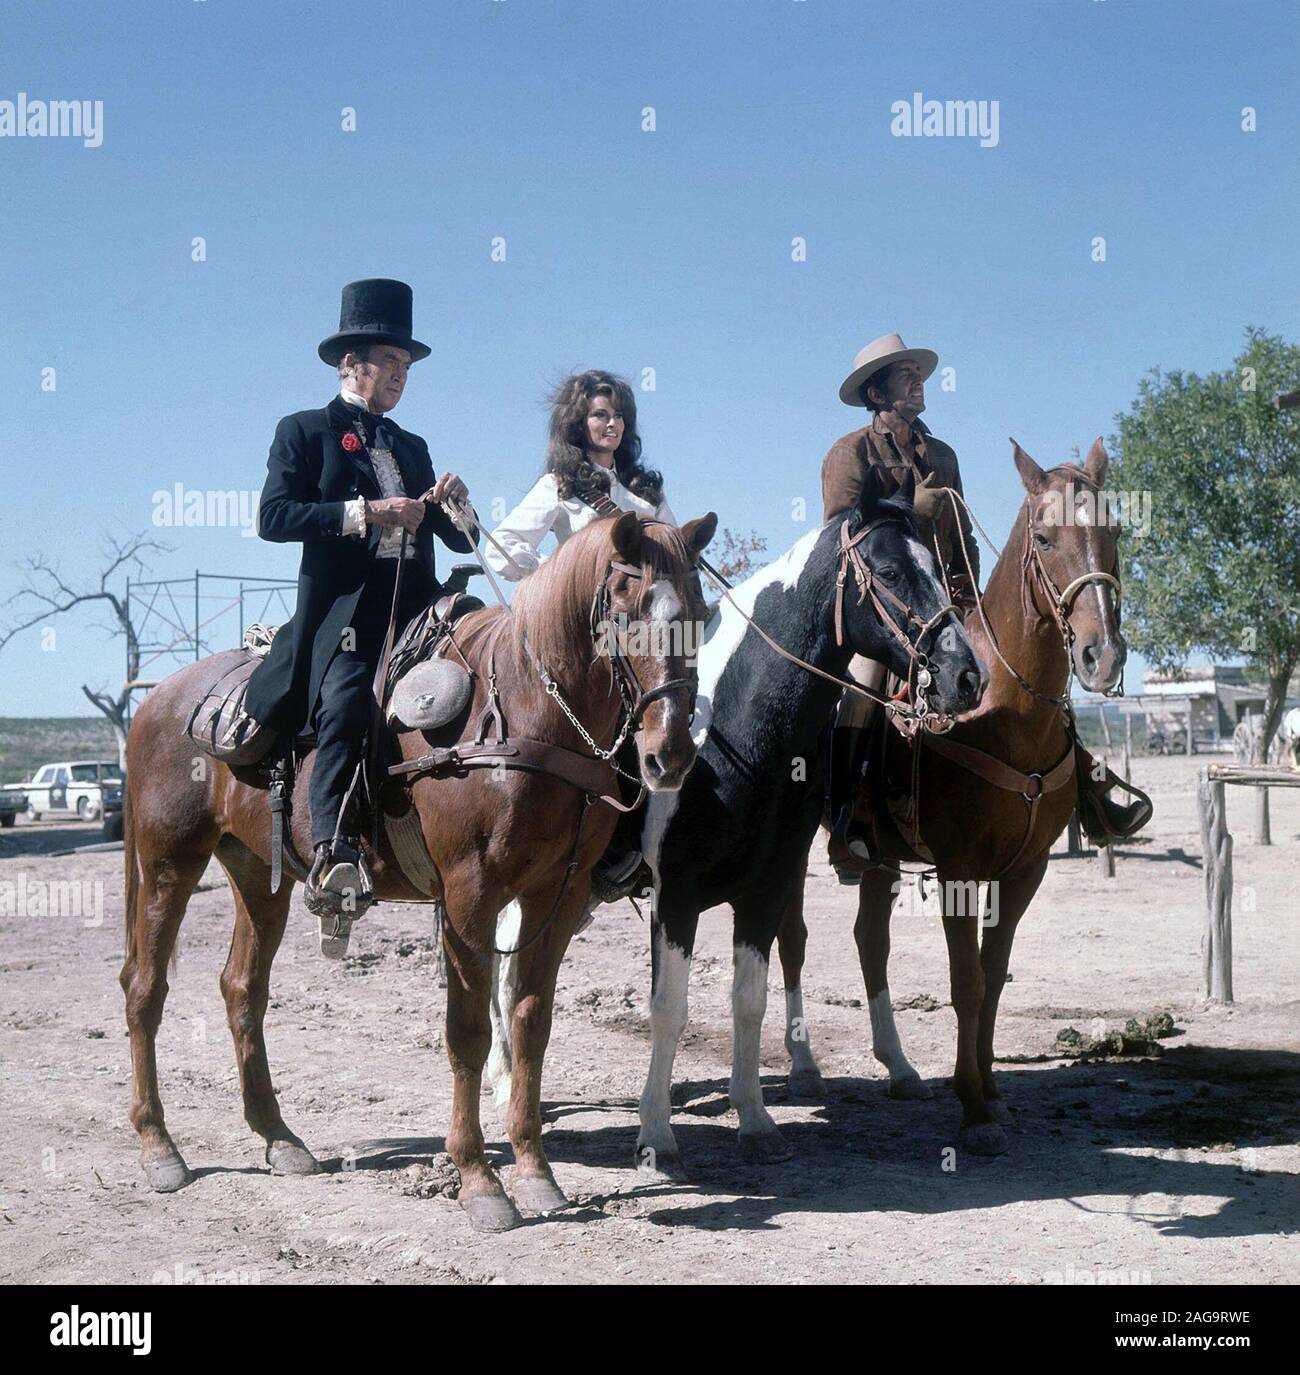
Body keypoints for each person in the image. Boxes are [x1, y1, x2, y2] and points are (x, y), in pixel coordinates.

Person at [821, 332, 1149, 879]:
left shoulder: (942, 455)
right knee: (862, 686)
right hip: (883, 610)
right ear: (877, 393)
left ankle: (1088, 791)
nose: (917, 382)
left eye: (917, 373)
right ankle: (849, 815)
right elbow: (841, 539)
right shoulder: (850, 454)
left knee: (1030, 681)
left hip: (947, 604)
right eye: (905, 375)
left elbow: (964, 537)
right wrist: (912, 514)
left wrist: (973, 603)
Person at [244, 278, 479, 955]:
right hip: (344, 617)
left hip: (418, 609)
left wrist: (456, 505)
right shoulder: (304, 431)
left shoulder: (412, 446)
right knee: (348, 702)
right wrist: (367, 513)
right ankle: (334, 853)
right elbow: (272, 516)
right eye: (391, 363)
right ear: (354, 364)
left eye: (407, 367)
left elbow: (460, 541)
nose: (402, 377)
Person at [488, 369, 674, 900]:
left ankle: (635, 852)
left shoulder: (646, 492)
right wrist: (550, 581)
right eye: (599, 414)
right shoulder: (560, 488)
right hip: (585, 647)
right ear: (578, 421)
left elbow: (675, 549)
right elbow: (505, 546)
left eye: (617, 415)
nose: (610, 423)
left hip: (642, 640)